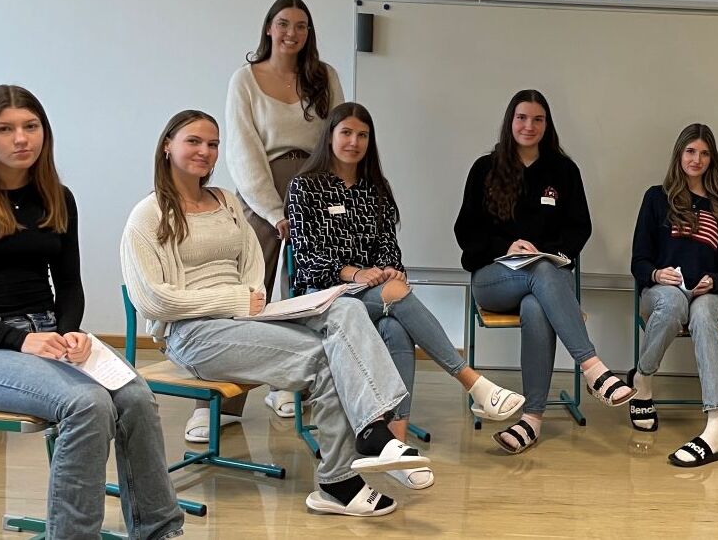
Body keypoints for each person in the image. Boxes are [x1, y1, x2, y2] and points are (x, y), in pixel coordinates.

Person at [122, 109, 430, 518]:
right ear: (167, 146)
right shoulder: (148, 214)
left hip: (246, 318)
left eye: (213, 144)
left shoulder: (226, 202)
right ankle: (340, 479)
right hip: (193, 333)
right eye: (193, 141)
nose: (205, 151)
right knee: (328, 357)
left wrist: (247, 301)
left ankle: (374, 428)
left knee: (346, 308)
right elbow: (153, 300)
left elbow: (253, 266)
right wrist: (234, 302)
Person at [0, 85, 183, 538]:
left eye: (31, 126)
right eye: (5, 129)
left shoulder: (57, 197)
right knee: (87, 403)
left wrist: (70, 332)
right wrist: (18, 340)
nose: (21, 138)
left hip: (49, 336)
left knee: (136, 398)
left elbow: (67, 284)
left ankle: (159, 531)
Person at [288, 102, 527, 489]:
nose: (354, 142)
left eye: (362, 135)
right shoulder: (305, 187)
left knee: (397, 329)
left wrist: (388, 270)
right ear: (329, 136)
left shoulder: (376, 189)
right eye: (346, 133)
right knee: (395, 298)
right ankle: (473, 383)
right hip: (324, 298)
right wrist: (355, 273)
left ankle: (395, 446)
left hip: (371, 293)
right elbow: (306, 259)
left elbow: (389, 250)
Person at [454, 89, 634, 454]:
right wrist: (507, 247)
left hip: (546, 279)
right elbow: (466, 232)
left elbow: (579, 229)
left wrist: (548, 255)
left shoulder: (564, 171)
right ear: (510, 121)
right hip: (494, 278)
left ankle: (532, 420)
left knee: (538, 303)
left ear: (547, 124)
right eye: (522, 118)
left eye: (538, 119)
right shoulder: (485, 168)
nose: (529, 126)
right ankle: (593, 368)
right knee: (542, 273)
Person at [214, 0, 345, 440]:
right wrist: (272, 210)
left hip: (315, 187)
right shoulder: (245, 79)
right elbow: (243, 149)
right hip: (262, 189)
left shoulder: (324, 76)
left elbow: (338, 136)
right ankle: (221, 404)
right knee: (248, 294)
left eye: (301, 26)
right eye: (284, 24)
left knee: (307, 293)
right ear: (269, 28)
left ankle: (289, 386)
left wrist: (331, 196)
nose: (292, 33)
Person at [629, 123, 718, 467]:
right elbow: (639, 260)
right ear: (679, 155)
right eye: (690, 151)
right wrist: (656, 274)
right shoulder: (656, 197)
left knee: (701, 312)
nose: (697, 159)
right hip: (662, 292)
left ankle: (716, 427)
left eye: (704, 153)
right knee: (672, 303)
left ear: (713, 159)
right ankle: (643, 379)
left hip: (712, 295)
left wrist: (716, 281)